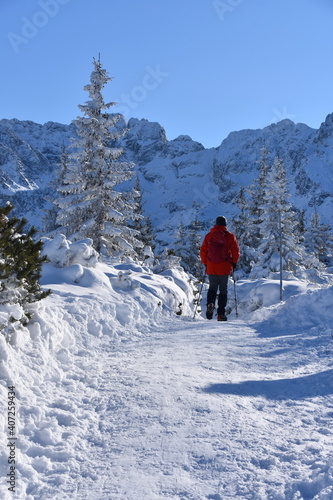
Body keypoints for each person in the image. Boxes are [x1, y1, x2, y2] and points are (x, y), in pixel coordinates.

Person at [200, 216, 240, 321]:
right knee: (223, 290)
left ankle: (210, 303)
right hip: (224, 267)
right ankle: (221, 314)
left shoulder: (209, 236)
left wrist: (206, 264)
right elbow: (235, 251)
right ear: (225, 225)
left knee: (212, 288)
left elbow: (203, 251)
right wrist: (234, 263)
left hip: (211, 266)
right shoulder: (230, 236)